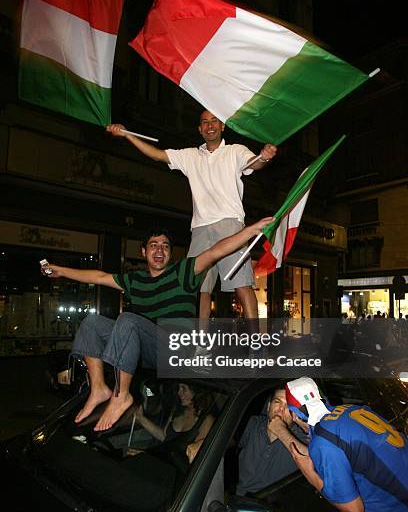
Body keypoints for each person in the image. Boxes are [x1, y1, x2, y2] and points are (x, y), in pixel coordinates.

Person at [41, 216, 273, 432]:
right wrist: (60, 270)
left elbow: (215, 251)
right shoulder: (136, 281)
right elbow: (98, 277)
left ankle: (121, 396)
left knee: (128, 320)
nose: (159, 250)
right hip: (148, 350)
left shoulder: (182, 272)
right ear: (143, 251)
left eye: (165, 246)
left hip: (176, 349)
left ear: (170, 254)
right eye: (153, 245)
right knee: (92, 322)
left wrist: (250, 231)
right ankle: (99, 388)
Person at [106, 111, 277, 319]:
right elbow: (157, 154)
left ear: (222, 126)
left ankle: (255, 346)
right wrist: (127, 135)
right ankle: (200, 346)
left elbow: (253, 163)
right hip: (199, 228)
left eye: (214, 121)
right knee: (198, 289)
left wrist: (264, 158)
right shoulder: (190, 155)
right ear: (199, 129)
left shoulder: (235, 151)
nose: (209, 125)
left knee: (241, 284)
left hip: (229, 224)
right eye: (204, 122)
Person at [268, 377, 408, 512]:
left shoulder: (324, 442)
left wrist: (310, 474)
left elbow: (354, 511)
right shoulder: (351, 410)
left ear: (294, 413)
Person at [236, 387, 307, 497]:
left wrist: (281, 431)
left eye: (288, 405)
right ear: (269, 406)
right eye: (277, 401)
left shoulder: (300, 437)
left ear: (295, 414)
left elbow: (313, 461)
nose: (280, 409)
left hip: (274, 505)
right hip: (238, 497)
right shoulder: (254, 424)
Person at [130, 381, 215, 464]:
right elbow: (165, 437)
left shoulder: (206, 420)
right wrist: (140, 418)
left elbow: (195, 459)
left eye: (184, 388)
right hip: (160, 463)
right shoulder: (177, 410)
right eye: (178, 388)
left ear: (197, 391)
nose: (179, 392)